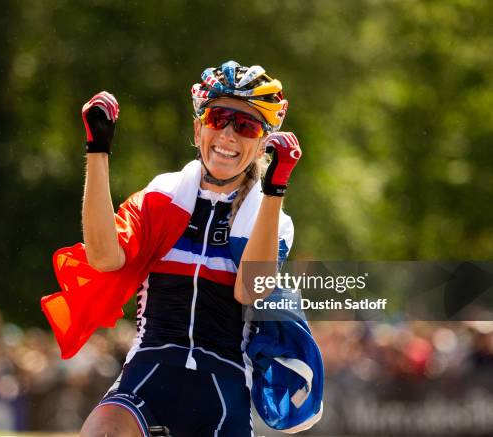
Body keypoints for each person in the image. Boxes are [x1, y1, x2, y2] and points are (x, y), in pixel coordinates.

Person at [43, 61, 307, 437]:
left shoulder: (271, 218)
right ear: (199, 127)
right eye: (219, 119)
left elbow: (250, 290)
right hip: (149, 371)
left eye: (246, 126)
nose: (229, 135)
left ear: (263, 142)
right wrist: (97, 150)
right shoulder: (162, 196)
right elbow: (103, 257)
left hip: (223, 389)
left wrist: (275, 191)